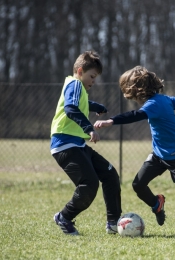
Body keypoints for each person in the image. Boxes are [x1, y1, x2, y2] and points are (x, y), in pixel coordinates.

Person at [94, 65, 175, 238]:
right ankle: (156, 203)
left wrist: (110, 121)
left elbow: (135, 115)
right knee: (138, 184)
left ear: (134, 90)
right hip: (159, 155)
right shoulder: (164, 99)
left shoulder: (153, 105)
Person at [50, 50, 122, 236]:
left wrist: (97, 107)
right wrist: (89, 128)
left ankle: (114, 223)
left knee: (110, 174)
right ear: (80, 71)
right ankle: (64, 217)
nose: (94, 81)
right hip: (65, 145)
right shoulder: (74, 84)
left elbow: (80, 102)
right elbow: (71, 108)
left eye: (96, 77)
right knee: (89, 184)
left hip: (77, 145)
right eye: (92, 76)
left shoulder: (78, 87)